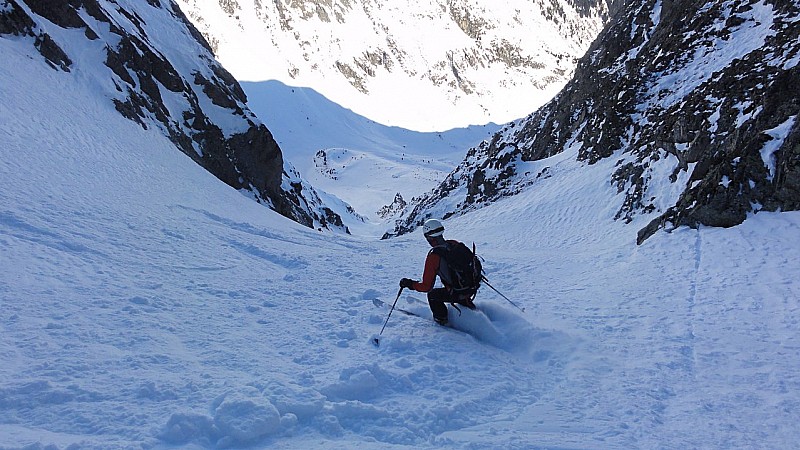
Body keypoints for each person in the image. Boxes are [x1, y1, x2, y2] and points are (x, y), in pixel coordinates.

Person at [399, 219, 477, 326]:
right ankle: (470, 307)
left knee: (432, 295)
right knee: (457, 289)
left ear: (429, 237)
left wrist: (410, 284)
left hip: (457, 291)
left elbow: (426, 287)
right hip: (472, 286)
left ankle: (442, 320)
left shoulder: (434, 256)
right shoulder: (454, 244)